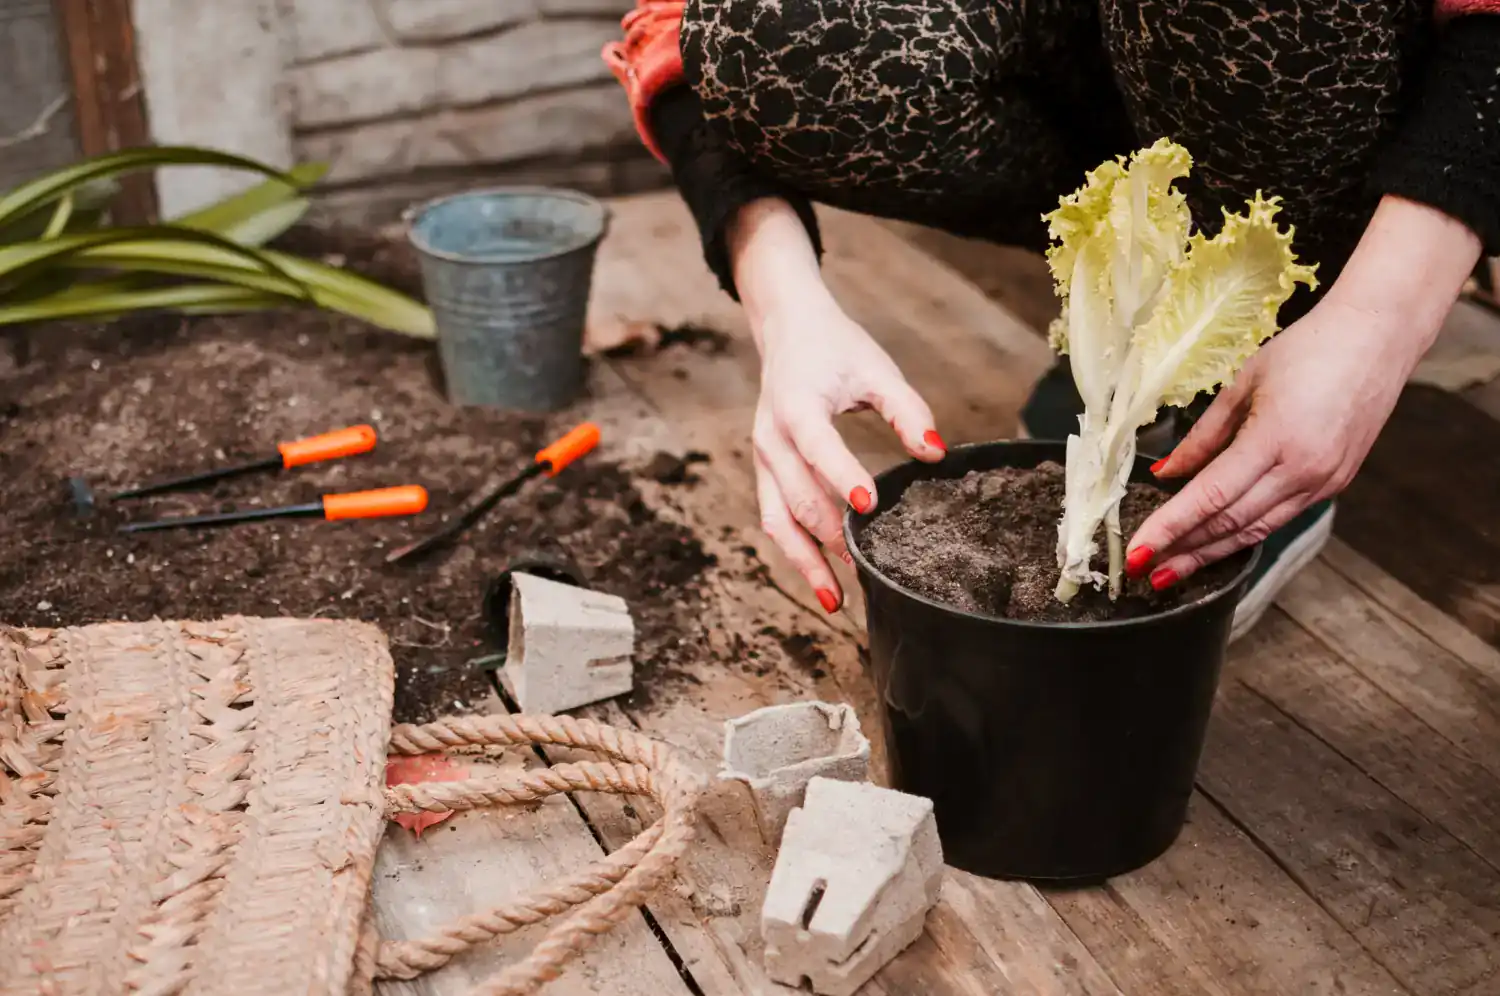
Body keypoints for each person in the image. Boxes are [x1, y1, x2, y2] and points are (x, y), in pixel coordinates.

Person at [602, 1, 1499, 636]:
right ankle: (1134, 299)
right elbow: (686, 26)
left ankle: (1264, 352)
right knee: (772, 37)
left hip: (1337, 71)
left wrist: (1381, 325)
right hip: (1100, 61)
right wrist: (785, 306)